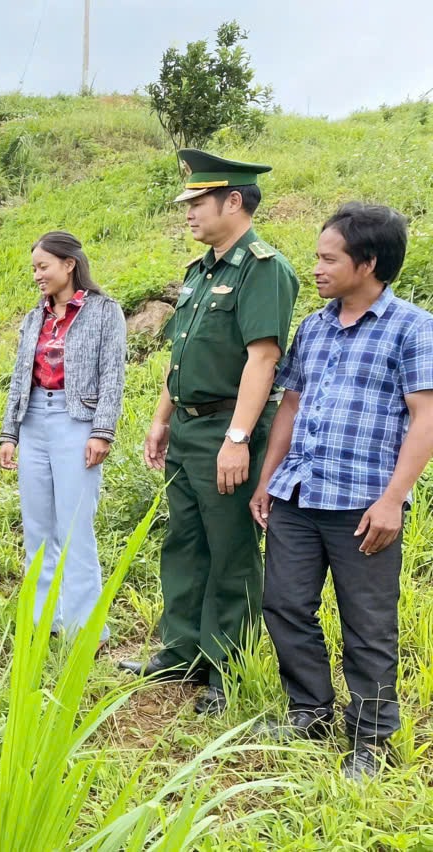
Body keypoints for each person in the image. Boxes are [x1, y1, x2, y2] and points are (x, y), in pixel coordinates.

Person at [251, 204, 433, 780]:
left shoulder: (411, 327)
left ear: (369, 262)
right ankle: (310, 709)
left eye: (330, 258)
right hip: (298, 494)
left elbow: (425, 416)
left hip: (363, 502)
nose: (319, 268)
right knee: (284, 604)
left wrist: (393, 498)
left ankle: (371, 738)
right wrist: (268, 478)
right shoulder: (315, 325)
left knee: (368, 623)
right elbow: (293, 402)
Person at [121, 149, 299, 717]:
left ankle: (227, 667)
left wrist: (239, 438)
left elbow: (263, 358)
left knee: (231, 553)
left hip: (230, 427)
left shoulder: (263, 268)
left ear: (234, 201)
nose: (189, 212)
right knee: (186, 542)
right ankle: (181, 650)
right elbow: (183, 354)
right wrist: (160, 418)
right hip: (190, 429)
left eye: (198, 202)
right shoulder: (202, 271)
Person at [0, 232, 126, 641]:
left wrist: (102, 431)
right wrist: (9, 433)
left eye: (43, 266)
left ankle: (84, 627)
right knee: (37, 526)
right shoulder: (34, 317)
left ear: (69, 264)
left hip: (77, 422)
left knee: (75, 526)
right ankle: (42, 619)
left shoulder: (104, 312)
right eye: (34, 268)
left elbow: (113, 376)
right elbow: (20, 377)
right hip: (34, 419)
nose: (37, 275)